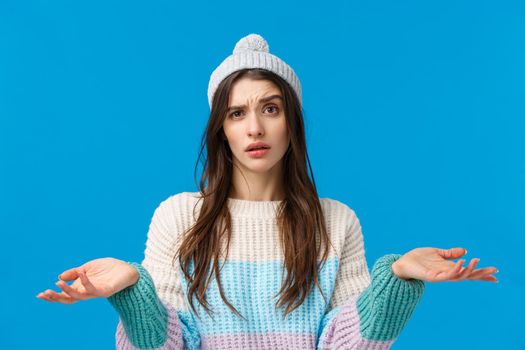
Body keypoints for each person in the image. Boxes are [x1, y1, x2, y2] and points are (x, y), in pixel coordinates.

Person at [37, 33, 500, 350]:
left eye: (270, 108)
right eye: (237, 113)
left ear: (291, 121)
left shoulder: (336, 221)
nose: (255, 127)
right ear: (220, 129)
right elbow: (173, 343)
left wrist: (398, 278)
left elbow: (343, 343)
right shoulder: (179, 216)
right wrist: (132, 288)